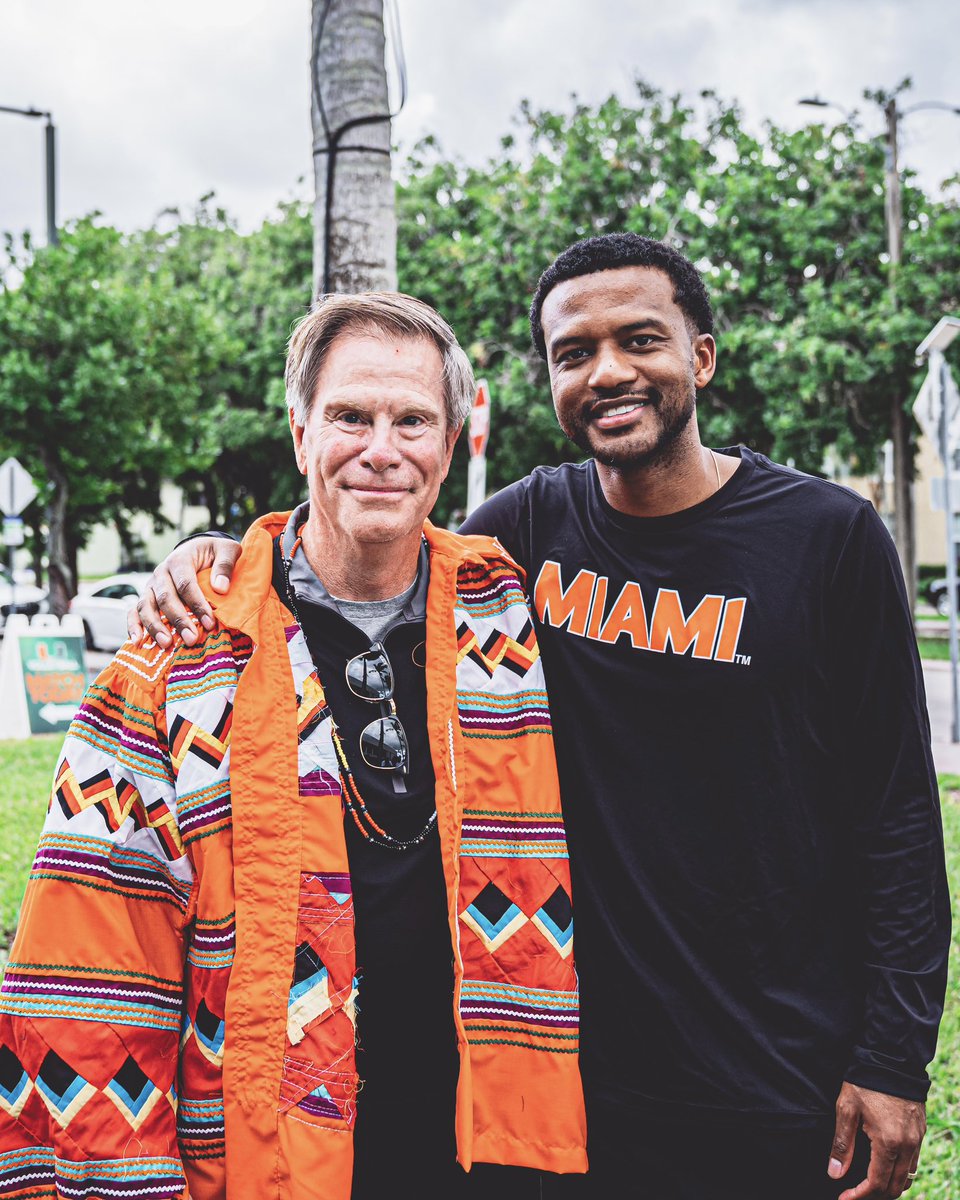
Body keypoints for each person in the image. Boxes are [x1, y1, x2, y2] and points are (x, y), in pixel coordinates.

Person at [131, 235, 949, 1200]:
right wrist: (221, 555)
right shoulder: (525, 533)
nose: (608, 372)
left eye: (640, 340)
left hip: (778, 1071)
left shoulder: (827, 538)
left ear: (700, 356)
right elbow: (370, 515)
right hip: (574, 1081)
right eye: (574, 354)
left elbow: (898, 818)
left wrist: (893, 1059)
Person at [0, 293, 587, 1200]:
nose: (382, 449)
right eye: (350, 416)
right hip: (267, 1153)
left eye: (412, 421)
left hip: (482, 1142)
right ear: (300, 430)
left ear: (451, 440)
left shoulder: (508, 609)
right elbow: (92, 956)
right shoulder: (181, 658)